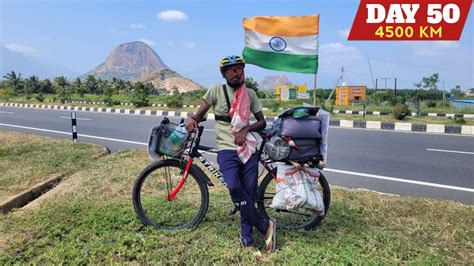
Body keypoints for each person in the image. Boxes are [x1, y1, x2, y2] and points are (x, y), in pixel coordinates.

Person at [185, 55, 276, 252]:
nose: (236, 73)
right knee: (235, 187)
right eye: (231, 70)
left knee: (249, 194)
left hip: (248, 148)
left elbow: (262, 122)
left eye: (239, 69)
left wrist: (245, 130)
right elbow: (199, 115)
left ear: (243, 71)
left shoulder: (250, 94)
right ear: (225, 74)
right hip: (226, 148)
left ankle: (247, 241)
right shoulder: (215, 90)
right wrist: (191, 119)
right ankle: (265, 225)